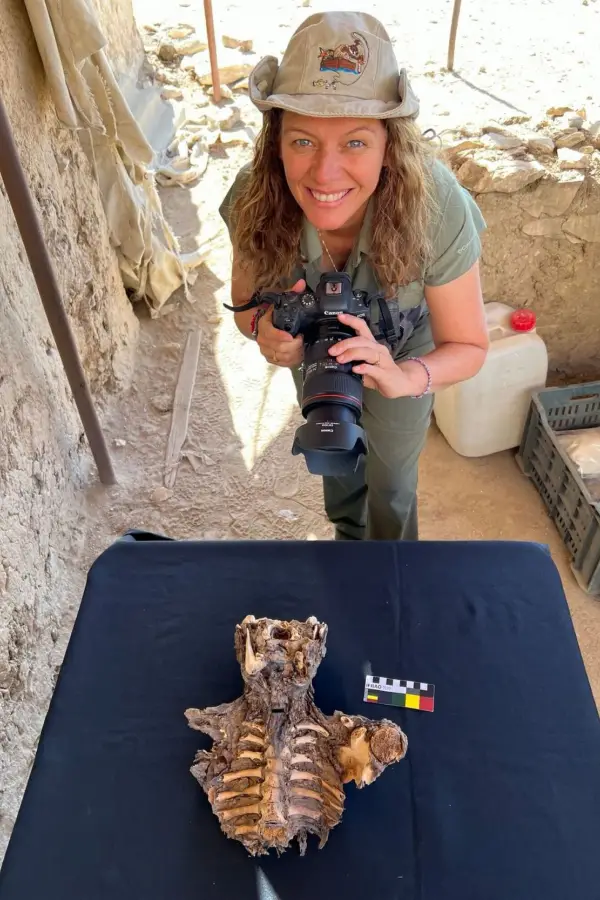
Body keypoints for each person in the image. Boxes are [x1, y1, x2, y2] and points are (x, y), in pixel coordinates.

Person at [219, 11, 489, 541]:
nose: (325, 174)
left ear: (391, 145)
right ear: (275, 142)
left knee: (392, 480)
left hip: (404, 354)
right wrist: (267, 333)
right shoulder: (255, 197)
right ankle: (347, 542)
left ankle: (391, 564)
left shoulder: (435, 207)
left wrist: (404, 378)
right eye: (303, 141)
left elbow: (469, 346)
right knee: (334, 447)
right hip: (316, 352)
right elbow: (246, 308)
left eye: (355, 143)